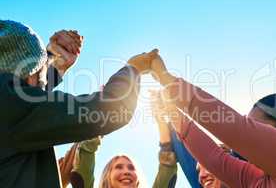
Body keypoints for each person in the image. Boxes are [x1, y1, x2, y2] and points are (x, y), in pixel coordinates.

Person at [0, 19, 158, 188]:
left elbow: (30, 100)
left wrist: (53, 63)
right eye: (40, 68)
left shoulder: (11, 107)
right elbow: (113, 109)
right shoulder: (12, 105)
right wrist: (133, 69)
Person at [149, 54, 276, 187]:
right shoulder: (257, 182)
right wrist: (170, 109)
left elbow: (236, 129)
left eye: (256, 128)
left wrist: (165, 78)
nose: (246, 145)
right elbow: (214, 159)